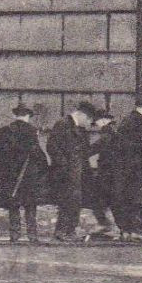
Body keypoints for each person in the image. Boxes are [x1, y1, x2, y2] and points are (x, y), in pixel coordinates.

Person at [0, 103, 49, 243]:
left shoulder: (5, 131)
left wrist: (6, 164)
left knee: (13, 205)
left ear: (14, 115)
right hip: (28, 175)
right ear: (28, 116)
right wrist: (43, 165)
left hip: (10, 174)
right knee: (30, 206)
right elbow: (37, 154)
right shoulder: (32, 131)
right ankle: (32, 235)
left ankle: (15, 235)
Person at [110, 97, 142, 239]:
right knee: (140, 201)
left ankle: (125, 230)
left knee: (125, 199)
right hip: (139, 169)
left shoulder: (125, 121)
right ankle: (136, 231)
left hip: (123, 169)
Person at [47, 102, 94, 240]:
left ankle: (70, 231)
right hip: (65, 172)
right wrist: (64, 165)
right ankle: (63, 231)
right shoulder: (62, 124)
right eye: (88, 120)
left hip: (77, 172)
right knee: (66, 201)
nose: (88, 123)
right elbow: (52, 146)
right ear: (82, 115)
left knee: (75, 201)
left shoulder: (79, 129)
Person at [84, 111, 119, 236]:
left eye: (98, 122)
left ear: (104, 120)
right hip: (111, 171)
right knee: (106, 200)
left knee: (97, 199)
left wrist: (83, 153)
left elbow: (96, 147)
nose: (97, 125)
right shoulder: (112, 130)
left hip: (107, 172)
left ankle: (106, 224)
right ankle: (108, 225)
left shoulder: (108, 133)